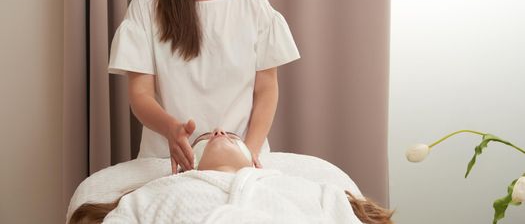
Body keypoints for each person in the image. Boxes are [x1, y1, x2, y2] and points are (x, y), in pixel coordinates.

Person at [108, 0, 300, 173]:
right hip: (166, 163)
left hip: (242, 162)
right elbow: (141, 94)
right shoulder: (147, 7)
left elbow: (266, 89)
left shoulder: (255, 7)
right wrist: (171, 128)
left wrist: (249, 152)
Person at [69, 129, 394, 224]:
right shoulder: (159, 191)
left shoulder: (308, 188)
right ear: (189, 165)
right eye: (207, 138)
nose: (220, 131)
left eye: (232, 136)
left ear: (256, 164)